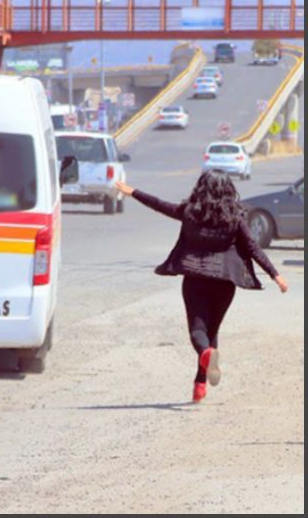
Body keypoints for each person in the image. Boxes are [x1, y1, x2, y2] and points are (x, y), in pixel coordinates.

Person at [115, 171, 288, 403]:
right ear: (228, 190)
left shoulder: (189, 213)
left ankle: (204, 362)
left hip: (195, 278)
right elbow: (252, 247)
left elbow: (159, 205)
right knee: (212, 331)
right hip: (225, 283)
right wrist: (275, 275)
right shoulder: (235, 217)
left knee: (198, 330)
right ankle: (199, 384)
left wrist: (133, 192)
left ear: (201, 188)